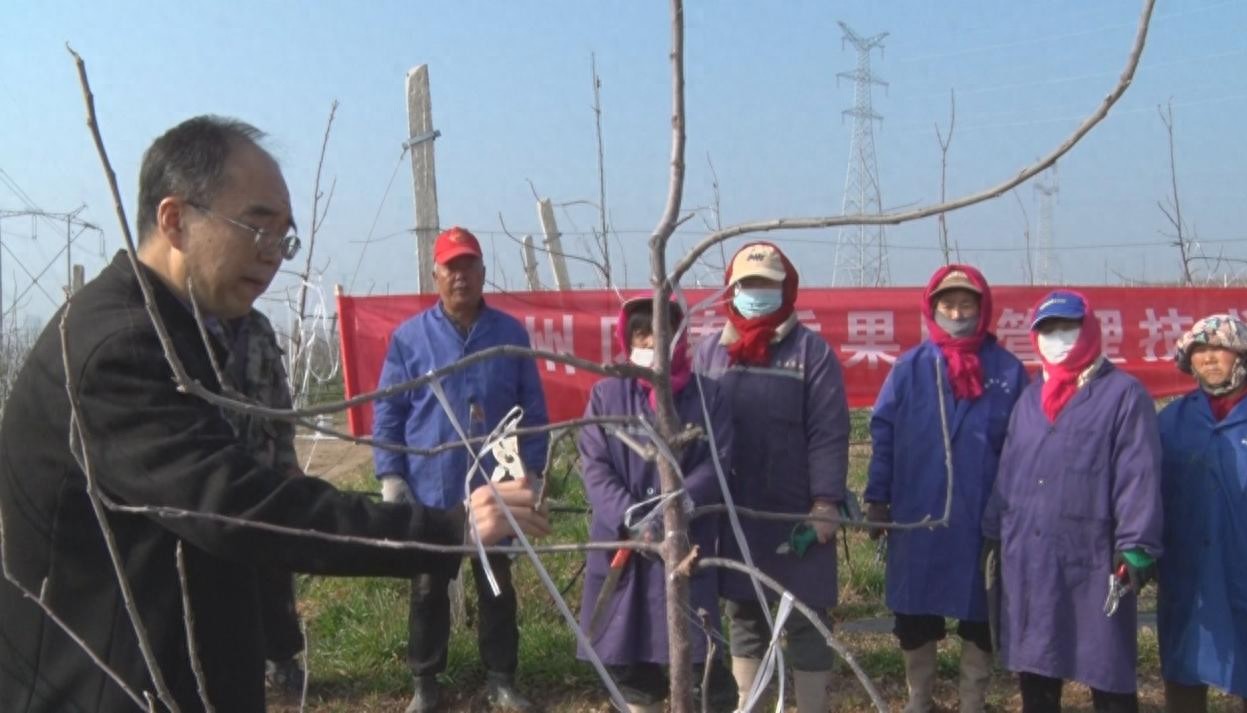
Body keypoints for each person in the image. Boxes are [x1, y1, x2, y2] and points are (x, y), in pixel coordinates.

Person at [0, 116, 549, 713]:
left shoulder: (192, 332)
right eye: (257, 228)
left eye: (284, 239)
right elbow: (236, 504)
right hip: (113, 685)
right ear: (175, 220)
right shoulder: (118, 348)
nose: (272, 258)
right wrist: (444, 530)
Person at [373, 226, 549, 713]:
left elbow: (533, 409)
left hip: (496, 483)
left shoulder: (509, 336)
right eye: (451, 267)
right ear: (435, 274)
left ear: (483, 272)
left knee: (497, 584)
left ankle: (501, 678)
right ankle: (425, 682)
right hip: (432, 485)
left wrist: (533, 470)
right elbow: (389, 412)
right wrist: (391, 475)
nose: (460, 276)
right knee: (428, 585)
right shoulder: (410, 339)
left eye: (468, 266)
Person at [981, 289, 1162, 713]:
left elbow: (1139, 473)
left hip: (1093, 553)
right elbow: (1009, 469)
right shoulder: (1030, 399)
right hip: (1030, 552)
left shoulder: (1123, 395)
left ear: (1089, 330)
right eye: (1047, 330)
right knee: (1037, 662)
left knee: (1106, 663)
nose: (1057, 338)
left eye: (1067, 327)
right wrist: (993, 528)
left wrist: (1136, 543)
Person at [695, 242, 850, 713]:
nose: (757, 292)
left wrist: (826, 502)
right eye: (748, 284)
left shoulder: (811, 353)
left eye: (767, 283)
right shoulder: (711, 353)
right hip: (735, 513)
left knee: (806, 619)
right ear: (731, 290)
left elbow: (828, 431)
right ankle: (751, 704)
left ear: (786, 288)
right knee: (744, 617)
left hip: (797, 515)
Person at [865, 265, 1027, 713]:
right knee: (915, 611)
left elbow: (1025, 444)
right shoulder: (910, 367)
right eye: (948, 304)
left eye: (966, 304)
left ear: (983, 308)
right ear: (932, 309)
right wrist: (877, 498)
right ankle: (920, 698)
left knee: (981, 612)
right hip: (919, 510)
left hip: (983, 514)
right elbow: (883, 433)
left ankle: (972, 700)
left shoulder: (1007, 371)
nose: (957, 313)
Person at [576, 295, 739, 713]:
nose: (652, 342)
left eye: (661, 332)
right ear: (627, 339)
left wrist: (674, 512)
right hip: (624, 544)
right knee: (630, 665)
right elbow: (595, 466)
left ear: (679, 336)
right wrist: (633, 517)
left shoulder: (708, 397)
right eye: (642, 333)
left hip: (687, 542)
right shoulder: (606, 395)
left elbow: (717, 462)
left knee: (699, 659)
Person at [1156, 314, 1247, 713]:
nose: (1208, 358)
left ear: (1243, 356)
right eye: (1198, 351)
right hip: (1188, 576)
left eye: (1218, 348)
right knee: (1184, 675)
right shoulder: (1172, 421)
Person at [211, 308, 308, 694]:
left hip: (264, 471)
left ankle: (281, 661)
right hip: (213, 476)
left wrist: (287, 462)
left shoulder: (259, 326)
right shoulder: (188, 325)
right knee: (219, 570)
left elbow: (280, 405)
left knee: (273, 567)